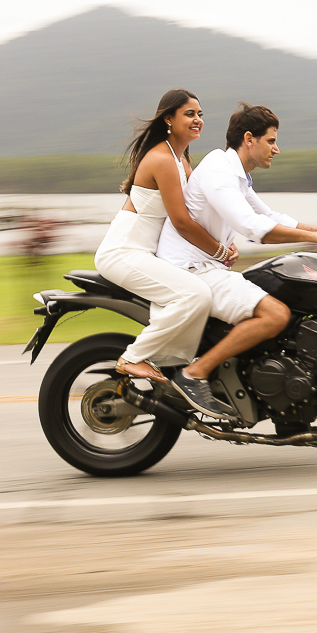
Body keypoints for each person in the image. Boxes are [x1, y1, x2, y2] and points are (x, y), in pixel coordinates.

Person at [155, 102, 317, 415]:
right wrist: (316, 239)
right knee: (275, 315)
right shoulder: (220, 171)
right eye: (271, 141)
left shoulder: (237, 173)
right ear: (249, 139)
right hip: (190, 270)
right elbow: (253, 228)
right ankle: (193, 374)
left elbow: (269, 215)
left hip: (208, 266)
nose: (277, 149)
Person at [94, 89, 241, 417]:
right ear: (168, 120)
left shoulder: (181, 159)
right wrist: (218, 251)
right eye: (189, 114)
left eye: (200, 114)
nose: (198, 120)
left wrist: (230, 238)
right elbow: (182, 222)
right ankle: (135, 358)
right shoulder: (162, 159)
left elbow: (200, 213)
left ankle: (174, 369)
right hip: (124, 252)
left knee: (198, 293)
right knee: (195, 295)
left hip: (145, 255)